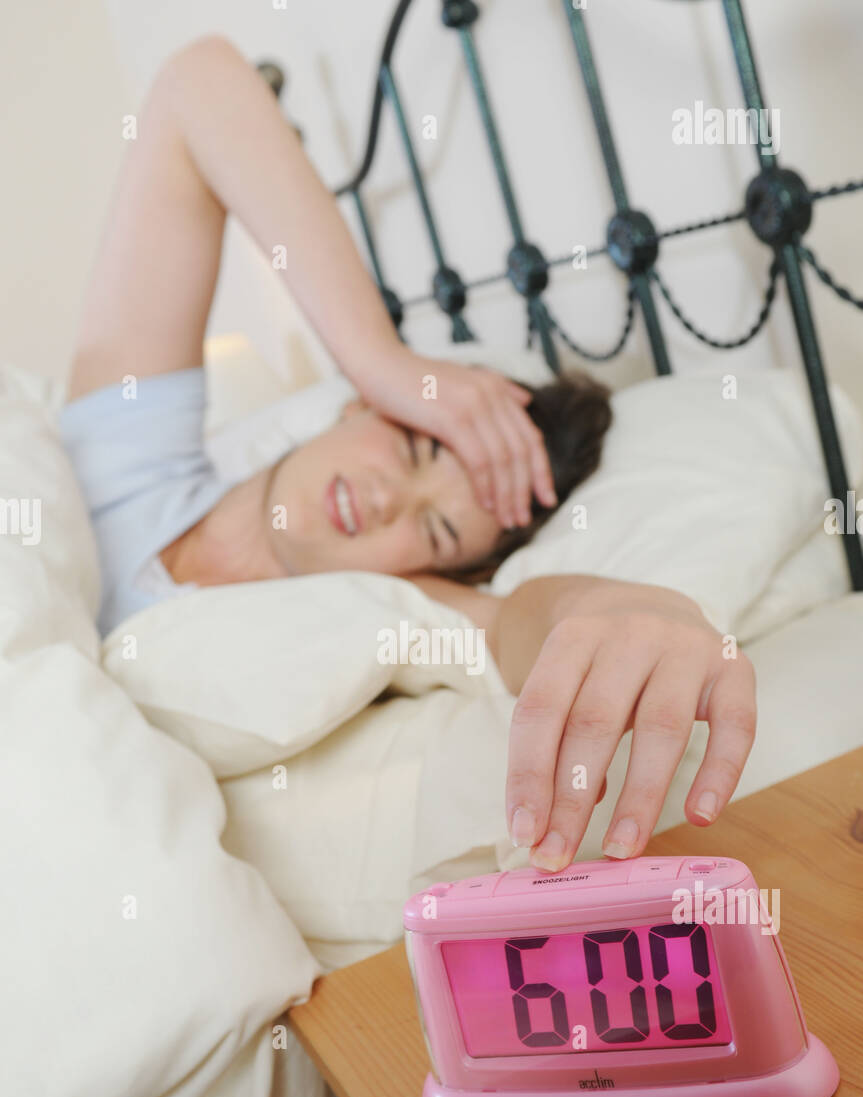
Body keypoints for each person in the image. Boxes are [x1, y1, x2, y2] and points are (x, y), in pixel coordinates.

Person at [59, 35, 756, 872]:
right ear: (363, 403)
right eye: (414, 442)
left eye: (432, 532)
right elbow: (195, 85)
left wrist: (634, 613)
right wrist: (386, 360)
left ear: (422, 576)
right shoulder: (126, 455)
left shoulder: (373, 610)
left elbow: (515, 623)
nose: (390, 499)